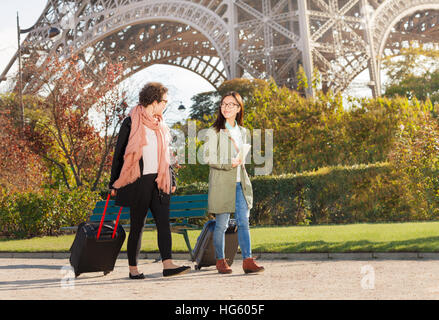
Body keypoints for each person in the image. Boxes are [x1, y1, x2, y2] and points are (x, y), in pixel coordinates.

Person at [109, 82, 190, 279]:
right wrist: (113, 183)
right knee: (138, 224)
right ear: (155, 101)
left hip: (159, 181)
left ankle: (168, 264)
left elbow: (166, 156)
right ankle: (133, 268)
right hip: (139, 181)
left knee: (164, 222)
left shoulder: (160, 124)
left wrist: (171, 178)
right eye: (164, 102)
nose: (165, 105)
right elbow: (119, 154)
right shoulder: (130, 122)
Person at [203, 91, 264, 274]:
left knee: (243, 221)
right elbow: (207, 157)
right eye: (223, 104)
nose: (226, 107)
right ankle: (221, 260)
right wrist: (228, 162)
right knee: (221, 224)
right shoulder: (214, 131)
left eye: (231, 104)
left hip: (240, 183)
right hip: (222, 183)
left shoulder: (243, 132)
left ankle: (247, 260)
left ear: (238, 108)